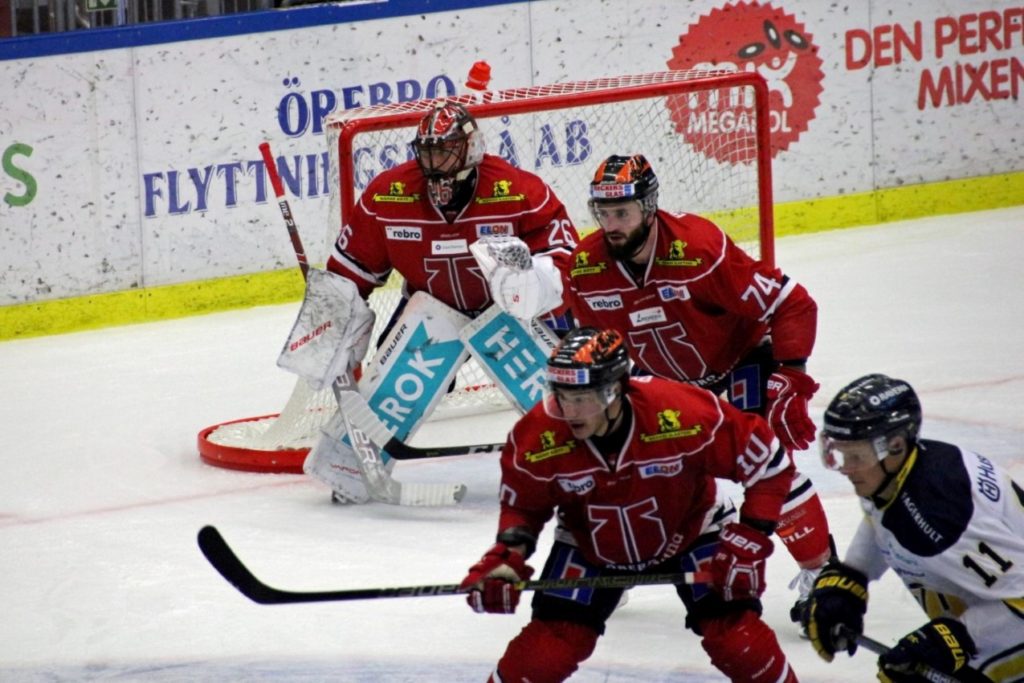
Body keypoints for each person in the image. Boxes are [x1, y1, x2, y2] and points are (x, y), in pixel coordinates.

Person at [558, 153, 832, 622]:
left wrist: (792, 380)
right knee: (622, 466)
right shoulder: (586, 268)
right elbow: (591, 345)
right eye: (603, 214)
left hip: (741, 360)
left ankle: (825, 578)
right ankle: (613, 568)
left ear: (648, 207)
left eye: (621, 212)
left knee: (766, 464)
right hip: (667, 381)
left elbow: (793, 303)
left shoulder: (699, 247)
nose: (611, 225)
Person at [459, 327, 800, 682]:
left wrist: (748, 541)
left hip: (692, 530)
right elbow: (524, 507)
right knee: (544, 652)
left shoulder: (682, 413)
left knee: (739, 641)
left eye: (583, 398)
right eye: (561, 395)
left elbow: (770, 465)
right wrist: (506, 558)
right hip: (591, 544)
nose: (570, 411)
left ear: (615, 390)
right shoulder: (536, 436)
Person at [305, 99, 579, 504]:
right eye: (428, 150)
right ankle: (350, 465)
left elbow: (566, 261)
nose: (435, 159)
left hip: (507, 312)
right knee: (394, 386)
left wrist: (531, 285)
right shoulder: (389, 195)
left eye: (444, 148)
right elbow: (350, 272)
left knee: (566, 383)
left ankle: (586, 461)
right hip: (431, 309)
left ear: (470, 149)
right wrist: (330, 327)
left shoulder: (519, 190)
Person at [803, 374, 1024, 683]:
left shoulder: (943, 514)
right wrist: (853, 574)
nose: (846, 469)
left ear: (894, 445)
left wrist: (958, 640)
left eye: (856, 455)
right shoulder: (899, 473)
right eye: (839, 453)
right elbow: (883, 518)